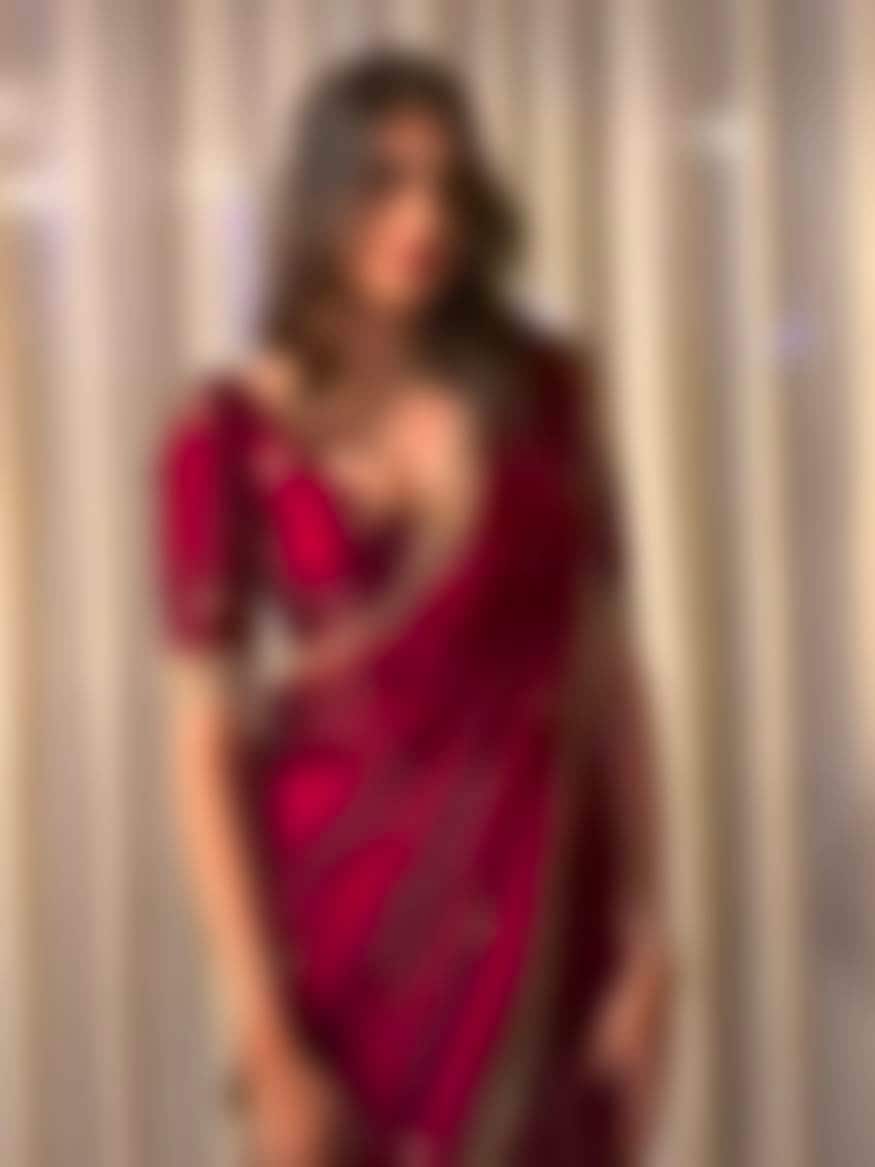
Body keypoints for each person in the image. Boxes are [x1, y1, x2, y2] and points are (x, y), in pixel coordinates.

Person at [158, 50, 671, 1167]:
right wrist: (261, 1026)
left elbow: (605, 673)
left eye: (446, 184)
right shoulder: (225, 435)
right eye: (383, 181)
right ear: (319, 196)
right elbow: (204, 742)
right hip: (339, 932)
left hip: (541, 912)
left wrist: (646, 936)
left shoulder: (547, 398)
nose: (423, 218)